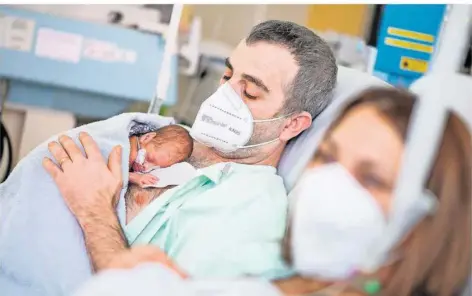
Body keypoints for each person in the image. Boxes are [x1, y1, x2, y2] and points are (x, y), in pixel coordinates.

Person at [71, 87, 471, 296]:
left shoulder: (252, 202)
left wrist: (96, 217)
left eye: (371, 180)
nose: (329, 185)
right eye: (327, 159)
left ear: (428, 217)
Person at [42, 19, 338, 281]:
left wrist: (94, 212)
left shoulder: (248, 209)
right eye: (226, 76)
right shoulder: (177, 138)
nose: (224, 96)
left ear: (291, 125)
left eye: (249, 92)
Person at [128, 125, 193, 187]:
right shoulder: (131, 148)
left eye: (154, 168)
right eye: (149, 158)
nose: (146, 167)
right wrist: (136, 177)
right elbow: (118, 173)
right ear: (146, 138)